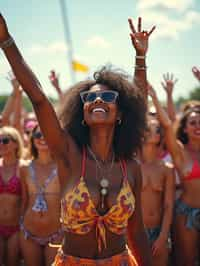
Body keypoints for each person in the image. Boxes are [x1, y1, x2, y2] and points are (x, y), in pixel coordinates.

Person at [0, 14, 154, 266]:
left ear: (121, 113)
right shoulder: (68, 154)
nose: (97, 100)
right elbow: (38, 98)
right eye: (89, 98)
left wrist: (141, 58)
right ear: (81, 113)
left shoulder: (131, 167)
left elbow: (136, 232)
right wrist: (6, 40)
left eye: (107, 95)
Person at [148, 84, 200, 266]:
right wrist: (155, 97)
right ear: (184, 129)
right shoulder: (179, 152)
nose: (198, 126)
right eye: (193, 123)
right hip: (185, 214)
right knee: (185, 261)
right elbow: (168, 125)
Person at [20, 124, 62, 266]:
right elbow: (24, 201)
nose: (42, 138)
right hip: (28, 233)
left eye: (46, 134)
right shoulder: (24, 168)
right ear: (32, 139)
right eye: (38, 135)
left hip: (57, 233)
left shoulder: (63, 166)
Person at [140, 116, 175, 266]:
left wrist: (163, 236)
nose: (155, 132)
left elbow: (168, 205)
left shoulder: (166, 169)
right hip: (135, 233)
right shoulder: (131, 166)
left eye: (157, 129)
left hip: (158, 232)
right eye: (149, 128)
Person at [0, 126, 24, 266]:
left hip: (16, 227)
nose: (1, 144)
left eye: (5, 140)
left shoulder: (24, 168)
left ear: (16, 143)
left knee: (12, 262)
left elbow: (27, 199)